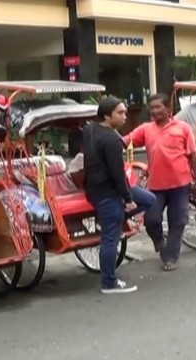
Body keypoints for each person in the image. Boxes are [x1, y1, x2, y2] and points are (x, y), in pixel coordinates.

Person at [124, 93, 196, 272]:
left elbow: (193, 156)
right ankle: (159, 241)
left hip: (180, 184)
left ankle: (170, 257)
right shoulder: (145, 129)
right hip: (155, 187)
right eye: (151, 108)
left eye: (158, 107)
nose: (154, 111)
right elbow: (125, 141)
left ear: (168, 109)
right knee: (151, 219)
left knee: (178, 221)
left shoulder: (183, 128)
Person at [83, 95, 139, 294]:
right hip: (108, 192)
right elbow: (117, 174)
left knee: (148, 199)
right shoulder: (111, 139)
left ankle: (118, 219)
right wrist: (128, 199)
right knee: (110, 239)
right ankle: (109, 283)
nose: (125, 116)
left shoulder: (91, 129)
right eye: (121, 113)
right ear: (107, 116)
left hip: (94, 189)